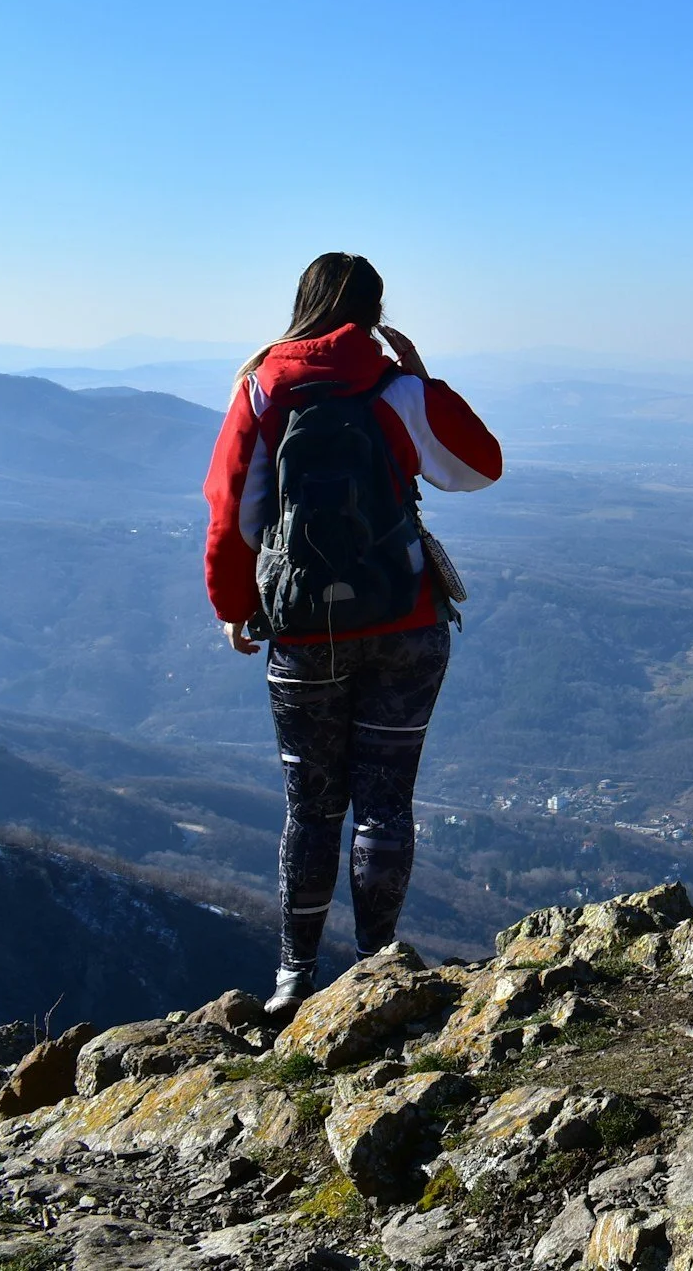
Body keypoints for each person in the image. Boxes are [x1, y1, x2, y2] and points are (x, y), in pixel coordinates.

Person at [202, 253, 502, 1019]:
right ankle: (377, 969)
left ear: (303, 302)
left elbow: (232, 511)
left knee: (312, 807)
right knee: (385, 805)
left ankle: (293, 978)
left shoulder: (264, 386)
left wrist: (234, 607)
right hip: (406, 620)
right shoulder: (394, 389)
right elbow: (479, 468)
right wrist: (423, 381)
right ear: (374, 309)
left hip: (305, 631)